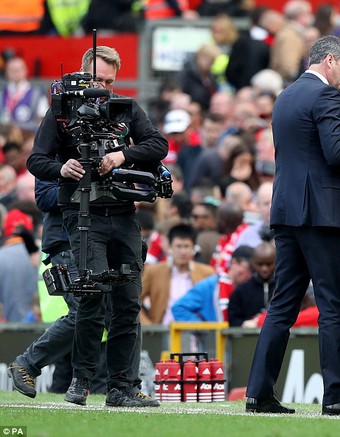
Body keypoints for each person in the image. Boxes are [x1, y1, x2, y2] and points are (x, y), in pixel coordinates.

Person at [26, 46, 168, 407]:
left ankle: (122, 387)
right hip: (82, 212)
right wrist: (62, 168)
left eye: (109, 80)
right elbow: (36, 160)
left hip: (122, 213)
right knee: (91, 299)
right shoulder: (60, 114)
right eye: (96, 79)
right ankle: (81, 381)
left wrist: (122, 154)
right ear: (82, 75)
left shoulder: (126, 107)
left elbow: (158, 144)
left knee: (127, 303)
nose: (102, 87)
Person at [244, 35, 340, 416]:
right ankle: (335, 396)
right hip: (323, 215)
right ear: (329, 60)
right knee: (333, 307)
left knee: (282, 305)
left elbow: (308, 159)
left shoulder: (285, 96)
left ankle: (258, 393)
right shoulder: (326, 96)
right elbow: (336, 154)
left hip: (287, 213)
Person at [8, 180, 157, 406]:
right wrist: (88, 186)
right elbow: (45, 198)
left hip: (109, 239)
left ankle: (127, 387)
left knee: (124, 310)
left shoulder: (109, 152)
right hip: (69, 241)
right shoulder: (59, 154)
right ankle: (28, 363)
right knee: (87, 310)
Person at [140, 223, 216, 325]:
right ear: (170, 247)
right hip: (162, 333)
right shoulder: (154, 271)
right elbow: (135, 300)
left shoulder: (207, 273)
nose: (183, 251)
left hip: (197, 333)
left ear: (193, 248)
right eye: (178, 246)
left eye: (186, 246)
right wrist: (148, 326)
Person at [227, 242, 276, 327]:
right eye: (260, 264)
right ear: (253, 263)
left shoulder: (283, 288)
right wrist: (246, 324)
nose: (264, 268)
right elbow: (233, 319)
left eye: (269, 264)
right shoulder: (241, 291)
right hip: (248, 338)